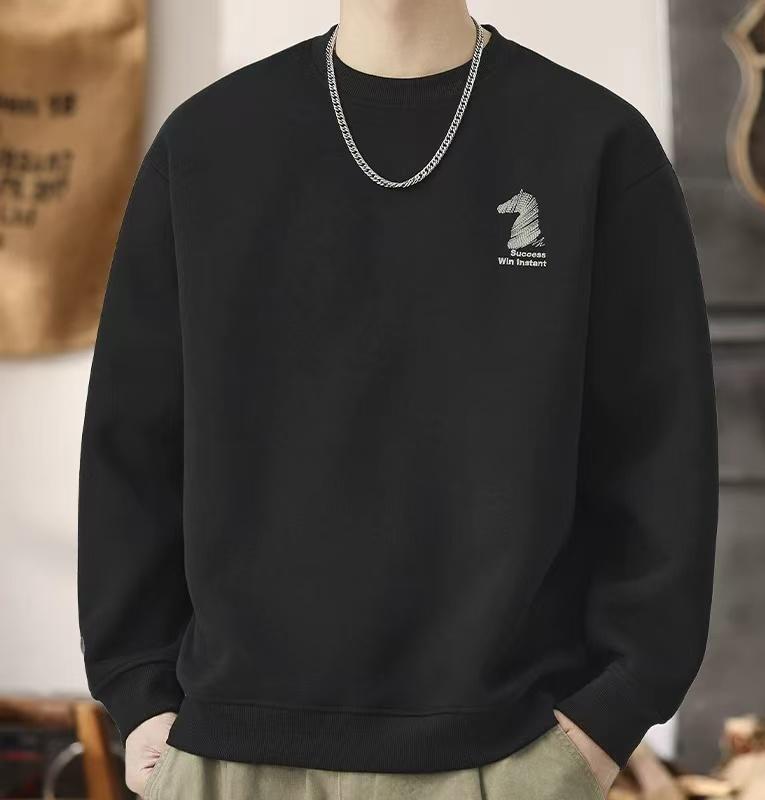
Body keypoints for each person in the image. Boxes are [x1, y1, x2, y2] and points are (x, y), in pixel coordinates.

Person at [77, 1, 719, 798]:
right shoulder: (209, 144)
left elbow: (661, 454)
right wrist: (139, 695)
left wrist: (606, 720)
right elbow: (132, 442)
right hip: (226, 754)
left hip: (506, 757)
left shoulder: (592, 144)